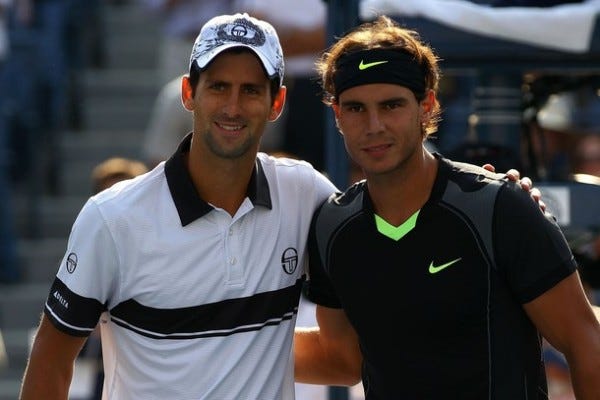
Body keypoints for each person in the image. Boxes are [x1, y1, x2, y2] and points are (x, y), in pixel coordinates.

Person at [19, 13, 539, 400]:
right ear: (188, 94)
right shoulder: (112, 218)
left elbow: (343, 356)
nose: (231, 105)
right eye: (217, 87)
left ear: (276, 103)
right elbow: (49, 360)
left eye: (250, 90)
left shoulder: (305, 193)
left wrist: (493, 194)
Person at [294, 15, 600, 399]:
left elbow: (584, 342)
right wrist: (206, 343)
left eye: (391, 105)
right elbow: (340, 359)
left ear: (427, 106)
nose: (373, 125)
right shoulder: (332, 225)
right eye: (356, 109)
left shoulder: (500, 207)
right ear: (337, 115)